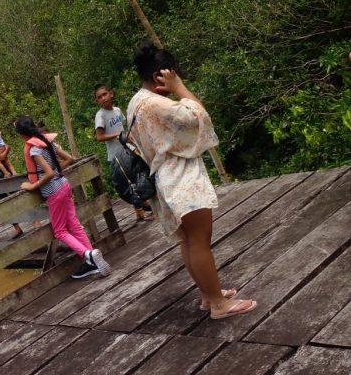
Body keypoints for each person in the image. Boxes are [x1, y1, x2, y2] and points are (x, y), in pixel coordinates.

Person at [128, 43, 256, 319]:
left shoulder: (136, 101)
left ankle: (209, 296)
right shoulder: (157, 103)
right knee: (199, 240)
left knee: (188, 240)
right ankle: (219, 305)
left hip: (164, 176)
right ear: (160, 76)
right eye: (172, 74)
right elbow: (199, 116)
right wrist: (179, 88)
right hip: (180, 176)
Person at [15, 115, 111, 279]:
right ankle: (92, 261)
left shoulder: (34, 149)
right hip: (65, 185)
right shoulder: (46, 140)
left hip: (54, 191)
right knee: (74, 225)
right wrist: (57, 171)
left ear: (23, 135)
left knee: (59, 231)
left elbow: (49, 173)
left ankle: (87, 255)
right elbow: (70, 159)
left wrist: (32, 185)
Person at [94, 83, 154, 222]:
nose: (103, 98)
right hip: (117, 157)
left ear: (111, 93)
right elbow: (99, 136)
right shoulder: (100, 115)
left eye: (104, 94)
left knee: (137, 176)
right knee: (128, 182)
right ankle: (140, 211)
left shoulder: (117, 110)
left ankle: (142, 205)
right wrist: (117, 135)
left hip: (126, 150)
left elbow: (125, 128)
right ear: (97, 101)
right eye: (99, 97)